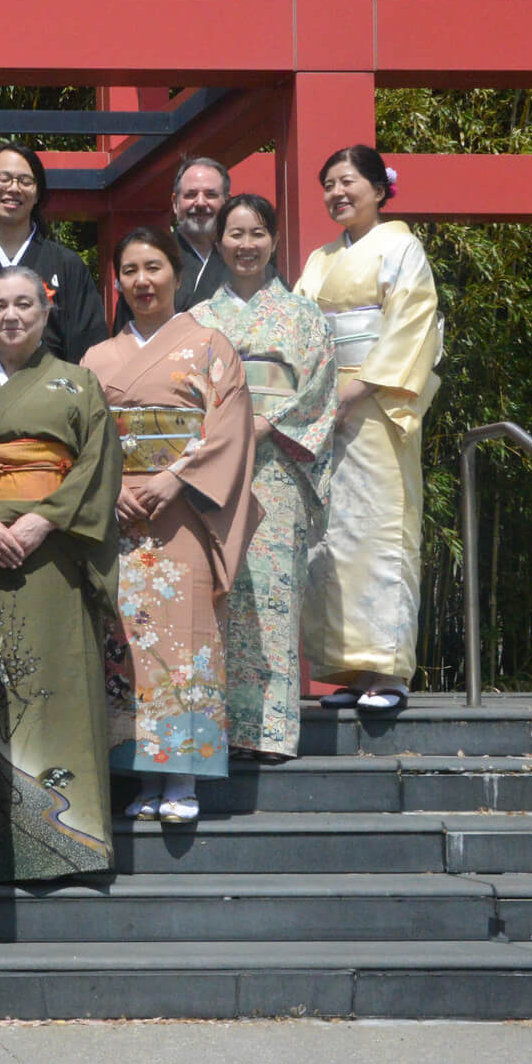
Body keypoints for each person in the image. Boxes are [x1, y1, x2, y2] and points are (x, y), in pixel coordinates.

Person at [80, 227, 259, 825]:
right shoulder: (96, 359)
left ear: (178, 275)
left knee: (185, 640)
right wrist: (109, 492)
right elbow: (81, 444)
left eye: (153, 267)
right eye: (129, 270)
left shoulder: (211, 347)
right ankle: (142, 776)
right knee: (123, 643)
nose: (142, 281)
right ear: (117, 281)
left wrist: (172, 480)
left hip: (181, 511)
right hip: (118, 518)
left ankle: (183, 779)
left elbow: (228, 430)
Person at [0, 267, 121, 882]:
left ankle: (71, 847)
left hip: (53, 555)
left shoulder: (79, 385)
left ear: (46, 311)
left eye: (24, 303)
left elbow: (96, 469)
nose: (11, 316)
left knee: (59, 686)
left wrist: (42, 521)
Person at [292, 146, 441, 713]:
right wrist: (313, 394)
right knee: (331, 534)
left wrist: (360, 388)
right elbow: (302, 328)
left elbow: (411, 326)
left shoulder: (402, 247)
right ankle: (351, 667)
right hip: (324, 403)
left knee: (379, 528)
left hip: (377, 403)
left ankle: (389, 669)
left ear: (380, 189)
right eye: (328, 183)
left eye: (347, 181)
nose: (336, 193)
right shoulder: (320, 258)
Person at [190, 196, 339, 759]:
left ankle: (272, 730)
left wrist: (264, 423)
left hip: (278, 465)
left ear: (275, 240)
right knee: (218, 588)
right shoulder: (200, 320)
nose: (245, 244)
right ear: (220, 241)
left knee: (274, 590)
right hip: (217, 469)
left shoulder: (304, 317)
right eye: (234, 233)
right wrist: (228, 432)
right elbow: (186, 396)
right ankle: (218, 727)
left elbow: (319, 392)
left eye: (256, 233)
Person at [0, 141, 105, 375]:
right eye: (3, 179)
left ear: (37, 194)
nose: (13, 188)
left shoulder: (67, 266)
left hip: (50, 400)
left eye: (25, 181)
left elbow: (89, 353)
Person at [170, 157, 232, 310]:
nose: (200, 203)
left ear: (227, 202)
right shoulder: (156, 257)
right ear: (175, 203)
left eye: (211, 194)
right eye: (190, 194)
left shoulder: (244, 258)